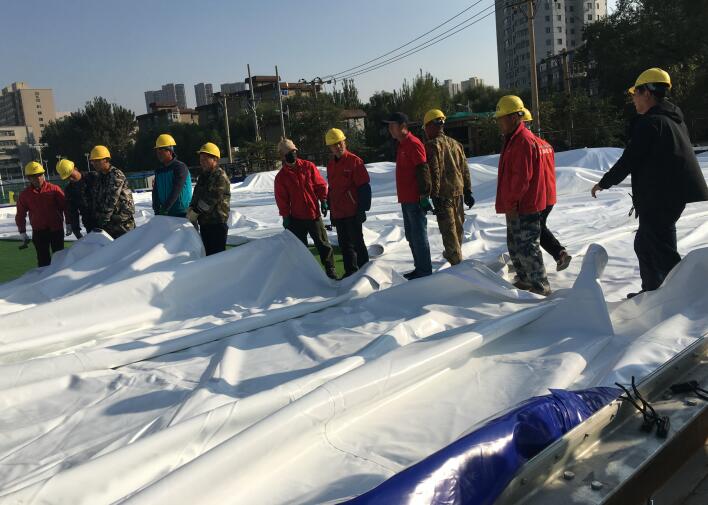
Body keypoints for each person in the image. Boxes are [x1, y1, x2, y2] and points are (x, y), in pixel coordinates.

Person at [591, 67, 708, 298]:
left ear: (647, 93)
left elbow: (630, 159)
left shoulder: (652, 122)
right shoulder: (672, 119)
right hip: (667, 196)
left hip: (661, 197)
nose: (633, 99)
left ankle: (688, 295)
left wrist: (604, 182)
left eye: (635, 93)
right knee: (645, 244)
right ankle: (653, 291)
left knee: (661, 250)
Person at [494, 96, 551, 296]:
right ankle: (525, 279)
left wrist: (511, 203)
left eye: (501, 118)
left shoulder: (523, 141)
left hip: (524, 205)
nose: (498, 122)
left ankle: (540, 285)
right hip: (516, 204)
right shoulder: (513, 140)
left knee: (528, 246)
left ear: (512, 118)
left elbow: (521, 178)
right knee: (515, 245)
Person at [274, 138, 337, 279]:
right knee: (300, 248)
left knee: (322, 243)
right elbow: (282, 199)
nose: (293, 154)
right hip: (296, 217)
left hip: (313, 213)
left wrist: (323, 200)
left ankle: (330, 268)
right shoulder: (281, 177)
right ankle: (305, 274)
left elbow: (319, 184)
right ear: (283, 156)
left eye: (294, 151)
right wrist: (285, 216)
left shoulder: (308, 166)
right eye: (290, 152)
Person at [521, 108, 572, 271]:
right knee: (540, 226)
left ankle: (538, 266)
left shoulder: (527, 145)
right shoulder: (545, 144)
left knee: (534, 230)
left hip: (538, 196)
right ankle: (559, 254)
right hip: (549, 194)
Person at [384, 112, 433, 280]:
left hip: (415, 199)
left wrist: (424, 195)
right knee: (412, 236)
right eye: (389, 125)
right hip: (406, 199)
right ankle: (419, 268)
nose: (390, 129)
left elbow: (422, 169)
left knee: (419, 236)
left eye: (393, 125)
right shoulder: (402, 144)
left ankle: (425, 271)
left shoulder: (413, 144)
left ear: (403, 126)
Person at [422, 109, 474, 266]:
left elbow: (435, 172)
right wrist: (468, 191)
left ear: (430, 126)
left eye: (425, 127)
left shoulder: (431, 145)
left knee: (449, 233)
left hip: (444, 196)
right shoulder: (456, 144)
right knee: (457, 230)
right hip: (458, 193)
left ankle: (456, 266)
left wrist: (434, 195)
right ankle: (455, 256)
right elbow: (465, 168)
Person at [324, 128, 371, 277]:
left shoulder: (354, 161)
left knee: (357, 242)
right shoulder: (331, 165)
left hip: (353, 211)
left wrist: (362, 209)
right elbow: (331, 188)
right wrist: (330, 208)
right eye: (334, 145)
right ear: (330, 147)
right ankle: (350, 271)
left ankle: (365, 271)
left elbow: (364, 187)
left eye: (339, 143)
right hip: (339, 212)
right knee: (344, 244)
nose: (337, 147)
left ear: (344, 141)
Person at [15, 161, 68, 267]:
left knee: (60, 258)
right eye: (34, 176)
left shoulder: (54, 189)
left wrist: (70, 223)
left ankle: (62, 282)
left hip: (56, 230)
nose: (38, 178)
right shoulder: (25, 195)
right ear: (28, 178)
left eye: (40, 175)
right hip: (39, 232)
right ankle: (45, 283)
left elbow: (65, 207)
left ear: (43, 175)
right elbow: (20, 214)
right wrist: (22, 232)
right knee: (43, 260)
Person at [186, 142, 231, 255]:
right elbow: (196, 195)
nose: (202, 162)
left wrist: (196, 211)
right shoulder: (203, 177)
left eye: (205, 159)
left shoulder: (220, 176)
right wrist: (191, 207)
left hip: (217, 224)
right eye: (201, 159)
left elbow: (212, 198)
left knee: (217, 257)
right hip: (205, 224)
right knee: (208, 255)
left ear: (215, 159)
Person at [90, 145, 136, 239]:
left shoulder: (116, 175)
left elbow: (112, 198)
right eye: (92, 161)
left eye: (97, 161)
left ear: (106, 160)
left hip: (122, 221)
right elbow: (97, 197)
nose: (94, 164)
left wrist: (103, 219)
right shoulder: (100, 176)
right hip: (110, 221)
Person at [152, 133, 192, 217]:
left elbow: (177, 189)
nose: (158, 153)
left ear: (169, 151)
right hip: (166, 213)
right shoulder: (159, 170)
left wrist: (165, 208)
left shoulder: (180, 167)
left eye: (161, 150)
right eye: (157, 150)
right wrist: (156, 209)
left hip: (182, 213)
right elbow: (155, 191)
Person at [56, 158, 97, 239]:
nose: (70, 179)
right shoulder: (69, 190)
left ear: (75, 169)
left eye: (71, 175)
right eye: (67, 178)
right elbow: (72, 212)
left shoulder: (93, 177)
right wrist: (76, 231)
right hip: (90, 225)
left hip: (107, 222)